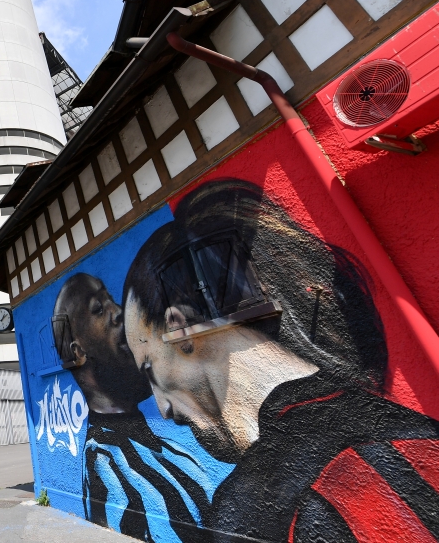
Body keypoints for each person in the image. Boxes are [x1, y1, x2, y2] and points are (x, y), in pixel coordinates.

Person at [123, 179, 439, 542]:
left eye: (149, 367)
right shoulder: (411, 430)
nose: (162, 409)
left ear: (181, 327)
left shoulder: (253, 509)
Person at [51, 272, 232, 542]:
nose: (118, 312)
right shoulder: (107, 465)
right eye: (99, 309)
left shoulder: (164, 447)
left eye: (111, 300)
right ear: (77, 353)